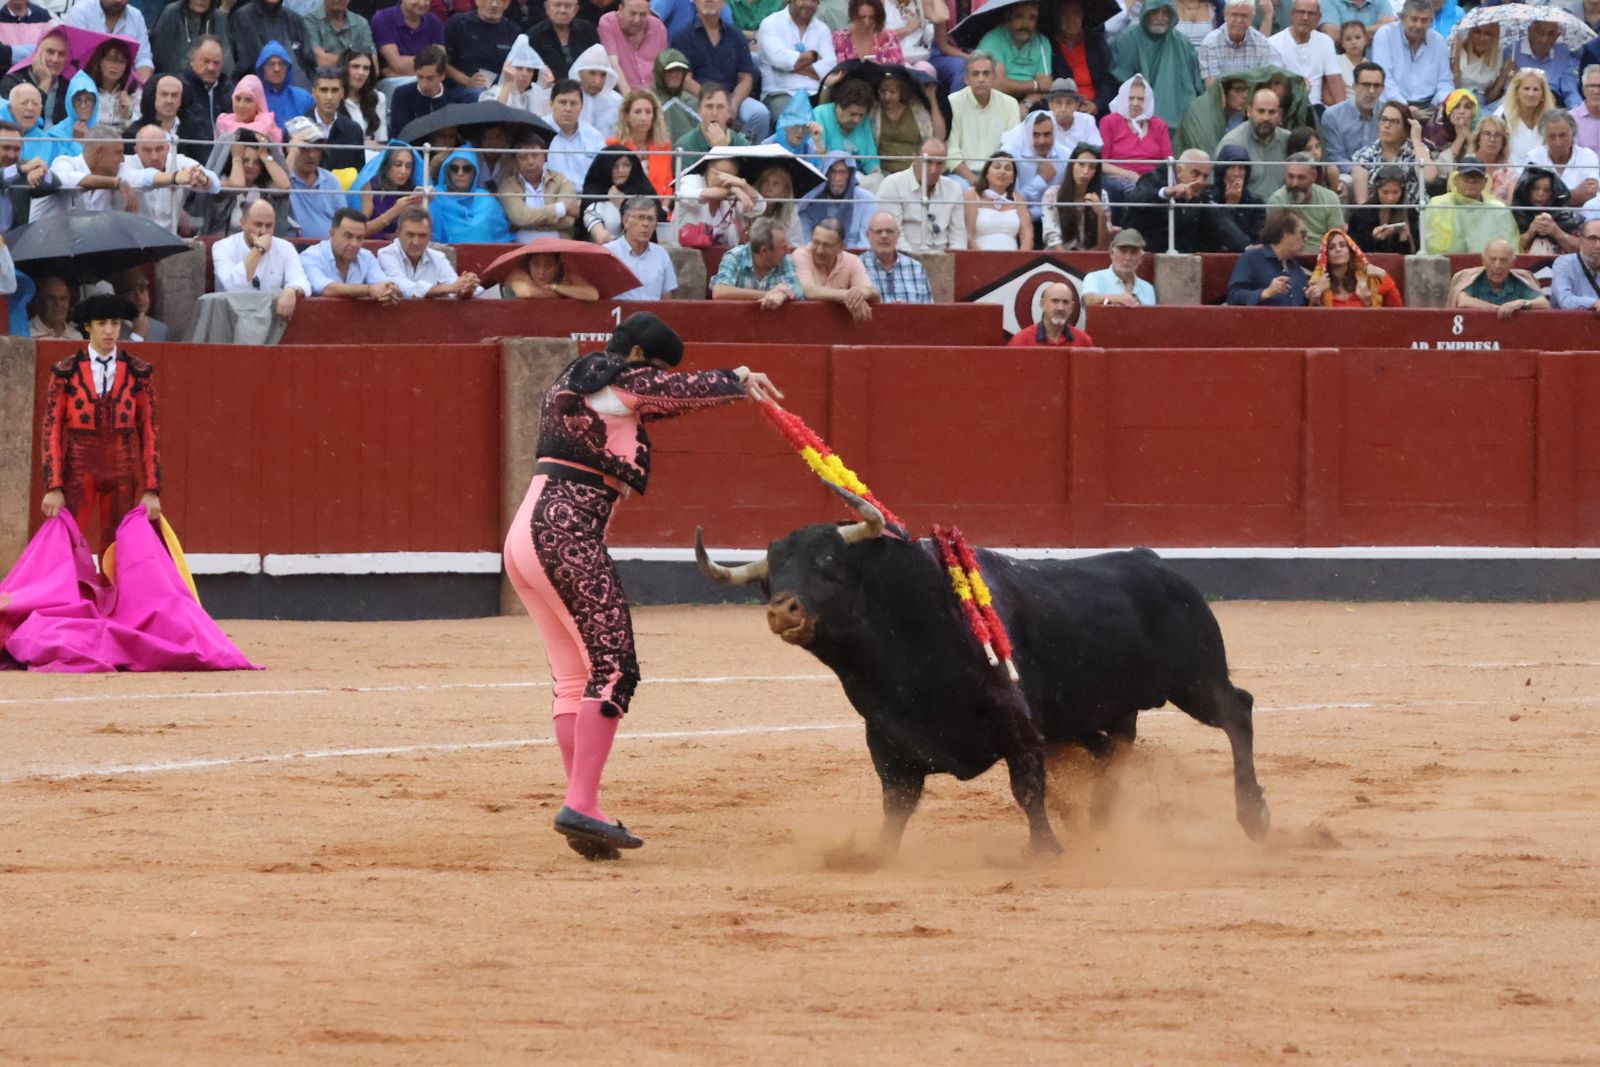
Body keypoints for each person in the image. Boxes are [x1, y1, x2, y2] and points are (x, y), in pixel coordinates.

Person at [503, 311, 779, 858]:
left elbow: (662, 399)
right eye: (652, 369)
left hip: (527, 536)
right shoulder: (613, 374)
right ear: (637, 358)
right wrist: (736, 380)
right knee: (614, 668)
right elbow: (669, 389)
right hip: (563, 532)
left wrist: (725, 389)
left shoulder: (584, 384)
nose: (653, 381)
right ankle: (581, 804)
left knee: (575, 677)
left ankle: (583, 809)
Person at [40, 294, 161, 558]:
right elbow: (51, 430)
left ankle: (113, 599)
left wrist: (152, 489)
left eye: (115, 323)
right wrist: (53, 486)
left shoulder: (138, 372)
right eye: (102, 323)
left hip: (121, 468)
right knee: (65, 546)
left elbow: (149, 431)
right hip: (77, 468)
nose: (109, 331)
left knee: (116, 550)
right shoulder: (66, 371)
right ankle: (68, 600)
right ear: (88, 326)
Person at [672, 0, 769, 143]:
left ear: (724, 2)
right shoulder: (682, 37)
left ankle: (748, 159)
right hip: (698, 98)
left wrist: (733, 103)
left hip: (732, 97)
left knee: (759, 114)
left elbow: (746, 77)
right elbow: (685, 80)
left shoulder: (736, 37)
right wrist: (714, 101)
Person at [213, 199, 312, 322]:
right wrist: (258, 250)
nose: (263, 231)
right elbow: (234, 287)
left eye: (269, 225)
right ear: (242, 223)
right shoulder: (222, 247)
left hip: (270, 319)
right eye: (258, 225)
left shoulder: (285, 247)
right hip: (230, 317)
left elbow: (302, 282)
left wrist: (292, 290)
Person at [1111, 0, 1204, 128]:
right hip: (1136, 115)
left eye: (1165, 13)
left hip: (1181, 118)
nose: (1160, 18)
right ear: (1146, 13)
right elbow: (1121, 79)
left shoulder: (1182, 44)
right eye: (1155, 12)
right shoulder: (1128, 40)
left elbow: (1197, 84)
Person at [120, 123, 220, 236]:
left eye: (159, 149)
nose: (154, 156)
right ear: (136, 151)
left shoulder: (179, 161)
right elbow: (140, 179)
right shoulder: (126, 163)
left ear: (168, 148)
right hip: (134, 241)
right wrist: (175, 178)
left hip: (169, 241)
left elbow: (215, 184)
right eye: (147, 150)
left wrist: (204, 180)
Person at [876, 135, 966, 251]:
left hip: (945, 261)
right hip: (905, 260)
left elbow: (958, 237)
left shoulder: (953, 188)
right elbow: (894, 236)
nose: (934, 170)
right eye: (928, 162)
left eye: (939, 163)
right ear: (915, 158)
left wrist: (952, 260)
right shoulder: (892, 184)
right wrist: (916, 264)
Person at [945, 51, 1020, 184]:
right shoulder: (952, 102)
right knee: (957, 188)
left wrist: (993, 179)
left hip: (999, 174)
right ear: (966, 78)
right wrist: (974, 181)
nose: (981, 79)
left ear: (994, 77)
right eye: (975, 74)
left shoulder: (1010, 104)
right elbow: (952, 152)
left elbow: (1011, 148)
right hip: (962, 176)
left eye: (986, 73)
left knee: (1016, 190)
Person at [757, 0, 837, 122]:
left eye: (813, 1)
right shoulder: (771, 23)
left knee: (838, 118)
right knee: (798, 125)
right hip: (782, 93)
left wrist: (791, 67)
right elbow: (779, 59)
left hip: (816, 93)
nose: (809, 4)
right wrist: (813, 56)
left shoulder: (822, 29)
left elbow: (830, 67)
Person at [300, 206, 403, 300]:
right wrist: (368, 289)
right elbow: (325, 288)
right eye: (348, 236)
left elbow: (382, 282)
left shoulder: (366, 257)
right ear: (332, 234)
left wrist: (390, 289)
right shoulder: (310, 256)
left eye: (360, 238)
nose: (354, 244)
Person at [377, 205, 482, 296]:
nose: (416, 242)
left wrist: (467, 286)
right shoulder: (386, 254)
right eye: (410, 235)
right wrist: (450, 288)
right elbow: (403, 287)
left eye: (422, 236)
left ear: (430, 236)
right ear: (398, 233)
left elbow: (455, 285)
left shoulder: (438, 257)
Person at [1425, 156, 1520, 254]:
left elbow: (1511, 249)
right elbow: (1433, 248)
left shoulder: (1499, 210)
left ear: (1485, 182)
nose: (1471, 180)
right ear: (1455, 179)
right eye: (1466, 176)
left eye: (1476, 176)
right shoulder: (1438, 205)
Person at [1098, 73, 1171, 200]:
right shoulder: (1109, 122)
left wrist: (1147, 179)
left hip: (1153, 180)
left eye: (1141, 99)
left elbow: (1168, 162)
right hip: (1120, 179)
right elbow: (1102, 163)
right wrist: (1130, 175)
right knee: (1130, 190)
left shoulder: (1160, 125)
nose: (1135, 103)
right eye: (1131, 98)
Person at [204, 129, 292, 232]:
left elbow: (284, 186)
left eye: (257, 162)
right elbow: (237, 186)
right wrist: (236, 158)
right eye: (245, 160)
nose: (250, 166)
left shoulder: (264, 187)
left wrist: (264, 155)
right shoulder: (222, 182)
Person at [1367, 0, 1449, 111]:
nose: (1419, 25)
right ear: (1403, 18)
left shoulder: (1438, 40)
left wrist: (1439, 104)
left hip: (1430, 106)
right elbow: (1384, 78)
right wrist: (1404, 108)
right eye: (1414, 19)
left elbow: (1445, 81)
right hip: (1392, 104)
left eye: (1424, 20)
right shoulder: (1385, 34)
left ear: (1431, 21)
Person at [791, 216, 877, 319]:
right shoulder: (801, 255)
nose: (819, 250)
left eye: (827, 246)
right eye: (816, 242)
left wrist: (862, 294)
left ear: (841, 247)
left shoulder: (852, 260)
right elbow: (809, 291)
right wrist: (849, 296)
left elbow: (872, 291)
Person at [498, 135, 581, 240]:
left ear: (545, 156)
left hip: (559, 246)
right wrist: (561, 208)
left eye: (535, 155)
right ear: (515, 161)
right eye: (523, 157)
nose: (530, 162)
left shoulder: (562, 181)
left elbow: (568, 221)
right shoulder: (507, 186)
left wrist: (525, 224)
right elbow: (520, 217)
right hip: (521, 248)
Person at [1349, 99, 1432, 205]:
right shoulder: (1363, 156)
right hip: (1377, 217)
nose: (1387, 125)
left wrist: (1416, 139)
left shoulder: (1417, 149)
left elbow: (1429, 177)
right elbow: (1363, 204)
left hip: (1417, 215)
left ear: (1406, 128)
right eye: (1383, 119)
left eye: (1394, 121)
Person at [35, 128, 127, 223]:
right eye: (118, 153)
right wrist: (115, 183)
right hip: (38, 233)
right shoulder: (64, 162)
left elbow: (137, 177)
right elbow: (65, 181)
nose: (123, 159)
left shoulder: (112, 172)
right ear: (99, 152)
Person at [710, 215, 805, 305]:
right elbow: (719, 291)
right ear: (764, 251)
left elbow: (798, 290)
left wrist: (782, 294)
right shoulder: (735, 257)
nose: (788, 251)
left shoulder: (784, 260)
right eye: (783, 248)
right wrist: (768, 294)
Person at [1216, 85, 1290, 200]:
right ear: (1249, 111)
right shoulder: (1232, 143)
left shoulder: (1289, 141)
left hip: (1283, 214)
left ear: (1279, 114)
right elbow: (1219, 190)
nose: (1266, 117)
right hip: (1247, 215)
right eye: (1261, 111)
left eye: (1271, 112)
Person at [1448, 237, 1550, 318]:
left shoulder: (1520, 280)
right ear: (1483, 261)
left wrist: (1521, 303)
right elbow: (1463, 301)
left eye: (1504, 260)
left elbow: (1544, 304)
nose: (1497, 266)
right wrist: (1499, 309)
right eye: (1492, 259)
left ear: (1512, 263)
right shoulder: (1471, 278)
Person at [1226, 209, 1310, 305]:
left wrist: (1313, 296)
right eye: (1302, 234)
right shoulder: (1252, 258)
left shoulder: (1295, 266)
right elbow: (1234, 297)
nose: (1306, 239)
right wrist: (1266, 293)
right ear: (1286, 233)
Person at [431, 145, 513, 242]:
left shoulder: (486, 199)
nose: (460, 173)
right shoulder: (436, 195)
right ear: (447, 172)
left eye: (467, 169)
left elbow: (501, 234)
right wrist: (431, 168)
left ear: (475, 172)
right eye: (454, 168)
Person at [976, 0, 1052, 104]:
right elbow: (997, 85)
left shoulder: (1042, 42)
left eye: (1032, 18)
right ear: (1008, 17)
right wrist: (1035, 85)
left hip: (1030, 102)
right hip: (996, 101)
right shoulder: (993, 40)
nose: (1025, 24)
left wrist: (1026, 104)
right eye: (1019, 16)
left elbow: (1046, 86)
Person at [1270, 0, 1344, 106]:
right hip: (1286, 106)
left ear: (1319, 17)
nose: (1305, 17)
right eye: (1301, 12)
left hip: (1316, 106)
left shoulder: (1325, 41)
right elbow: (1275, 85)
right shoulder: (1274, 43)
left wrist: (1342, 112)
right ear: (1292, 14)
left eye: (1311, 13)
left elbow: (1335, 80)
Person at [583, 145, 662, 241]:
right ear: (605, 168)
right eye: (614, 166)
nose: (621, 170)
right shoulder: (594, 192)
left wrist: (624, 203)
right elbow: (596, 233)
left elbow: (659, 217)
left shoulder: (642, 187)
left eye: (626, 165)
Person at [1305, 226, 1400, 305]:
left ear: (1351, 252)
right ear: (1325, 255)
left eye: (1342, 245)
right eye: (1331, 247)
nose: (1338, 249)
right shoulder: (1318, 283)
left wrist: (1383, 275)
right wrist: (1315, 300)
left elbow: (1397, 311)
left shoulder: (1368, 279)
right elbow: (1312, 323)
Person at [62, 0, 155, 81]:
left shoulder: (136, 16)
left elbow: (143, 57)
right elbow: (77, 59)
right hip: (83, 83)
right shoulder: (80, 12)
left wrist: (141, 89)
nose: (119, 1)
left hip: (125, 88)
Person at [1525, 111, 1600, 210]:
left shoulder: (1587, 156)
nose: (1558, 143)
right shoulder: (1533, 158)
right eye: (1552, 137)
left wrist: (1551, 197)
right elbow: (1533, 199)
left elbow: (1590, 194)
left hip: (1581, 220)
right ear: (1545, 138)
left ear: (1572, 135)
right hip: (1543, 218)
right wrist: (1573, 195)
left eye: (1562, 135)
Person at [797, 151, 875, 247]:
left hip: (854, 257)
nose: (837, 179)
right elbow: (804, 241)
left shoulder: (866, 200)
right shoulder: (810, 201)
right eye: (833, 171)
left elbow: (866, 243)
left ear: (850, 175)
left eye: (842, 172)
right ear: (826, 173)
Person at [283, 116, 343, 238]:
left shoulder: (331, 180)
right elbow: (279, 187)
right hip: (295, 250)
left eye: (316, 148)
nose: (311, 155)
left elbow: (342, 222)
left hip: (328, 250)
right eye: (304, 148)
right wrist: (292, 154)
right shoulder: (284, 178)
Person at [606, 194, 677, 299]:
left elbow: (666, 299)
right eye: (641, 218)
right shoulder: (609, 253)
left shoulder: (661, 254)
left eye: (650, 219)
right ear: (625, 221)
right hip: (620, 313)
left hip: (653, 314)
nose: (646, 224)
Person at [1321, 60, 1383, 178]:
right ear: (1354, 86)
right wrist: (1364, 174)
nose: (1371, 91)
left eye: (1376, 86)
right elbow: (1336, 158)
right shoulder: (1333, 115)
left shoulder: (1389, 114)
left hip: (1383, 177)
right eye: (1365, 85)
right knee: (1344, 180)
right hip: (1349, 175)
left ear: (1383, 88)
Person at [178, 36, 235, 163]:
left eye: (216, 63)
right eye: (206, 61)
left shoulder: (230, 91)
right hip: (188, 164)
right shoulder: (179, 88)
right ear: (192, 61)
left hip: (226, 166)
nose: (211, 68)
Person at [1042, 144, 1111, 249]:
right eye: (1081, 164)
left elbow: (1104, 244)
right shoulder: (1051, 194)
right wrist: (1069, 263)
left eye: (1092, 167)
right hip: (1057, 258)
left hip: (1091, 258)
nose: (1085, 171)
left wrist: (1101, 214)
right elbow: (1052, 236)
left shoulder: (1102, 195)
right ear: (1072, 165)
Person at [811, 75, 880, 176]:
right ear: (839, 107)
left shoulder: (864, 121)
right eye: (852, 114)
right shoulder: (820, 114)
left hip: (859, 176)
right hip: (830, 174)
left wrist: (876, 173)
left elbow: (870, 159)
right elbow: (818, 157)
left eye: (861, 115)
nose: (857, 120)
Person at [0, 29, 70, 128]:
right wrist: (44, 84)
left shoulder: (68, 85)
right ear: (36, 54)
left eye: (61, 54)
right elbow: (17, 126)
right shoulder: (12, 82)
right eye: (50, 52)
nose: (55, 59)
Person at [153, 0, 233, 86]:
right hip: (178, 84)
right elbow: (165, 59)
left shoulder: (219, 17)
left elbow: (228, 62)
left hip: (214, 85)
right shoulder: (171, 13)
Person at [446, 0, 523, 90]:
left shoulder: (514, 31)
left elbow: (521, 68)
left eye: (500, 0)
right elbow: (442, 64)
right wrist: (467, 81)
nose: (494, 4)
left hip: (502, 89)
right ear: (477, 1)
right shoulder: (459, 23)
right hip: (464, 89)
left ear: (507, 4)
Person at [610, 88, 674, 193]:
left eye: (648, 112)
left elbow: (668, 184)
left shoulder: (664, 145)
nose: (644, 118)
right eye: (637, 112)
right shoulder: (613, 144)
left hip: (659, 205)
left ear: (654, 116)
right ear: (626, 116)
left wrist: (664, 208)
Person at [962, 151, 1030, 250]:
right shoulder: (972, 194)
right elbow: (968, 234)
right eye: (997, 167)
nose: (1002, 171)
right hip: (979, 258)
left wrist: (1021, 261)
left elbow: (1027, 236)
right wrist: (982, 258)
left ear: (1013, 178)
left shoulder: (1018, 199)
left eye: (1008, 168)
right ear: (986, 173)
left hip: (1013, 259)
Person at [546, 77, 609, 185]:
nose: (568, 109)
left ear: (582, 106)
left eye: (573, 103)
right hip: (550, 196)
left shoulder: (594, 136)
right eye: (562, 102)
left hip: (587, 197)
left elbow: (603, 172)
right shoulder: (538, 130)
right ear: (551, 103)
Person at [1198, 0, 1275, 88]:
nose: (1239, 20)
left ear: (1252, 18)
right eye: (1234, 15)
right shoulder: (1210, 44)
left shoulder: (1262, 44)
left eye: (1244, 16)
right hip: (1219, 98)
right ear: (1225, 15)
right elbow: (1212, 89)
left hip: (1252, 97)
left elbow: (1264, 83)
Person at [230, 0, 314, 80]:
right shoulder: (243, 17)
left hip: (298, 88)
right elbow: (245, 64)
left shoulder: (294, 19)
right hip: (258, 87)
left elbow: (308, 61)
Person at [1511, 17, 1582, 111]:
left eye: (1551, 34)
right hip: (1517, 104)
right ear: (1529, 31)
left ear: (1557, 36)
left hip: (1551, 104)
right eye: (1540, 32)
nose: (1544, 40)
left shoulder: (1563, 54)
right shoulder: (1512, 52)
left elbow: (1571, 91)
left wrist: (1578, 113)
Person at [597, 0, 668, 93]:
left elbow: (664, 67)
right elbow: (614, 64)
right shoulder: (608, 22)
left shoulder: (657, 26)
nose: (637, 20)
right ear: (621, 9)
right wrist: (630, 99)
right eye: (632, 13)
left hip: (655, 93)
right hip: (622, 93)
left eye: (643, 14)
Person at [860, 209, 931, 302]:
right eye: (878, 231)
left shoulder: (916, 268)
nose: (884, 236)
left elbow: (927, 310)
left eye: (889, 231)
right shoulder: (857, 266)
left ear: (898, 235)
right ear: (868, 235)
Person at [1345, 163, 1415, 254]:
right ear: (1376, 190)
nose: (1390, 197)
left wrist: (1403, 240)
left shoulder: (1411, 213)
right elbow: (1353, 249)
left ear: (1402, 192)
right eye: (1385, 192)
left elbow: (1414, 253)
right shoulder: (1361, 214)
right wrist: (1373, 239)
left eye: (1395, 192)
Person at [1512, 166, 1583, 256]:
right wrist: (1530, 232)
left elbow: (1584, 248)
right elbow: (1506, 248)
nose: (1540, 194)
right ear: (1526, 190)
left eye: (1546, 190)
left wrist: (1557, 232)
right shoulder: (1514, 214)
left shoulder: (1566, 215)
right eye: (1535, 189)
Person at [306, 66, 365, 172]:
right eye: (324, 90)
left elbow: (360, 174)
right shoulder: (299, 128)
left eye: (334, 90)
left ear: (342, 93)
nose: (329, 97)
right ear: (314, 93)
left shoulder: (353, 130)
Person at [527, 0, 602, 81]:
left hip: (587, 88)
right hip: (548, 90)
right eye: (557, 5)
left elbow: (599, 64)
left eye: (568, 6)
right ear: (547, 8)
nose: (562, 10)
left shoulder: (588, 30)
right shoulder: (533, 36)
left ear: (575, 10)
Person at [389, 45, 455, 136]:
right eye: (420, 77)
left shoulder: (452, 100)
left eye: (429, 78)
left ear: (442, 75)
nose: (424, 84)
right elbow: (399, 134)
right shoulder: (402, 94)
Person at [1081, 229, 1155, 306]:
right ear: (1112, 253)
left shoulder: (1147, 288)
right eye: (1123, 251)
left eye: (1134, 252)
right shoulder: (1095, 278)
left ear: (1140, 258)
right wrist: (1114, 298)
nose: (1128, 257)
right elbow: (1088, 299)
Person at [1500, 67, 1557, 166]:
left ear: (1543, 94)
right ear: (1516, 91)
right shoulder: (1503, 115)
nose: (1531, 94)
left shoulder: (1551, 119)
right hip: (1509, 175)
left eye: (1536, 89)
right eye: (1526, 89)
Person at [1008, 280, 1093, 346]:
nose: (1060, 308)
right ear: (1042, 304)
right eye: (1055, 301)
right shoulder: (1021, 341)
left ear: (1071, 307)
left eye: (1065, 302)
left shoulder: (1084, 342)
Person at [374, 0, 445, 78]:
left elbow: (440, 64)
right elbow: (398, 65)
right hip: (396, 83)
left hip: (429, 81)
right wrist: (430, 65)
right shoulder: (383, 18)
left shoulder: (433, 20)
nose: (422, 3)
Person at [1450, 20, 1511, 106]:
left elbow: (1489, 98)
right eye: (1477, 32)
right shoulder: (1459, 50)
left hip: (1482, 103)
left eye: (1487, 34)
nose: (1481, 38)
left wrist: (1502, 78)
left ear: (1494, 37)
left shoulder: (1497, 56)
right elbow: (1453, 85)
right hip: (1458, 101)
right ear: (1470, 33)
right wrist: (1456, 58)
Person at [501, 247, 601, 299]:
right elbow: (525, 292)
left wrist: (556, 287)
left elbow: (593, 295)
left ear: (557, 267)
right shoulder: (518, 273)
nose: (541, 271)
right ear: (529, 264)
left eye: (548, 265)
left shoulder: (564, 276)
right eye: (536, 264)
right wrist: (560, 294)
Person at [256, 42, 314, 129]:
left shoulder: (303, 98)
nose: (277, 69)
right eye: (271, 64)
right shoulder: (252, 99)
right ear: (262, 68)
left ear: (288, 68)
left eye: (282, 64)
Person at [1551, 216, 1600, 312]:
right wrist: (1594, 303)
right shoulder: (1564, 264)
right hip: (1569, 324)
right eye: (1592, 238)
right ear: (1581, 241)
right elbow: (1564, 300)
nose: (1598, 245)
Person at [307, 0, 376, 68]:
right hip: (323, 77)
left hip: (357, 77)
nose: (336, 0)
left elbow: (374, 65)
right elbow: (320, 60)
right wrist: (358, 62)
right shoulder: (310, 21)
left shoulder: (361, 23)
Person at [217, 74, 283, 143]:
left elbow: (277, 153)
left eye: (248, 100)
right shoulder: (224, 122)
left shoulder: (268, 124)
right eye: (238, 99)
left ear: (258, 104)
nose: (241, 106)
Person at [112, 270, 167, 341]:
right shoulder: (109, 330)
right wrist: (137, 335)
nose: (139, 297)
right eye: (131, 293)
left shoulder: (161, 329)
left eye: (142, 290)